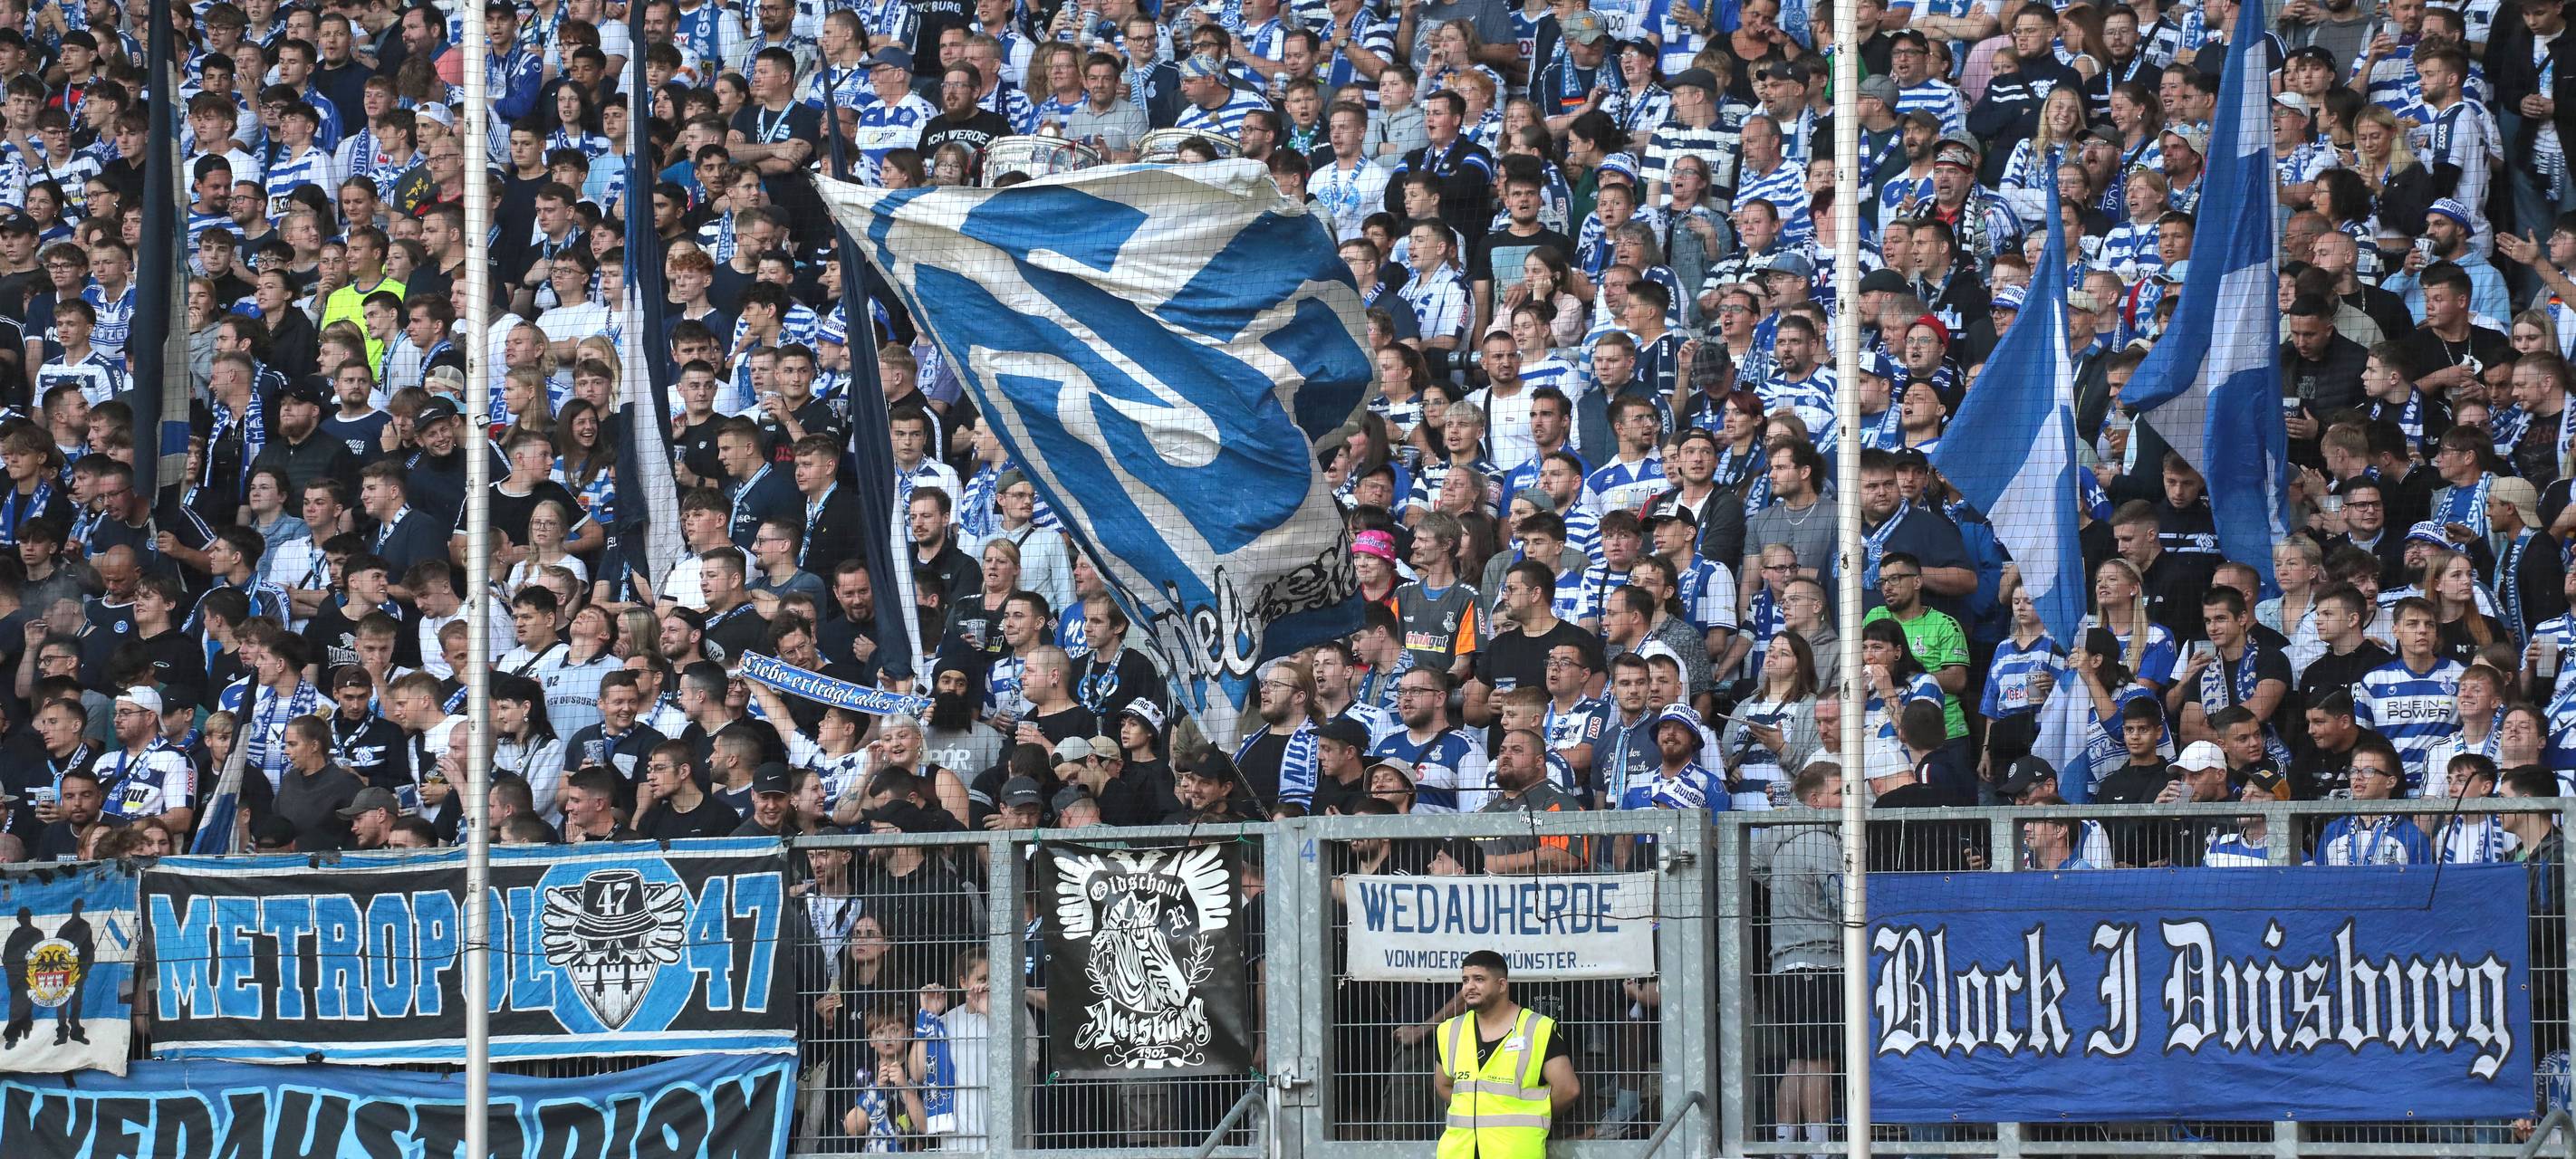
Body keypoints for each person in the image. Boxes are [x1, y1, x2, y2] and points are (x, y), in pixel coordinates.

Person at [1431, 949, 1580, 1159]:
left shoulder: (1538, 1029)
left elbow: (1568, 1090)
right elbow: (1443, 1085)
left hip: (1515, 1152)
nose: (1469, 987)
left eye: (1479, 979)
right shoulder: (1449, 1030)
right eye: (1465, 980)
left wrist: (1534, 1114)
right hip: (1458, 1153)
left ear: (1502, 985)